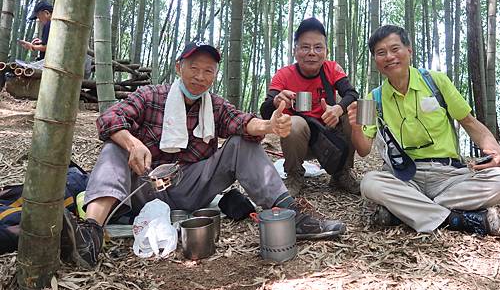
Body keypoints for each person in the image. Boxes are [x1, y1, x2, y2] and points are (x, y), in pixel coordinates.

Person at [60, 40, 346, 269]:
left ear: (214, 76)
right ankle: (91, 233)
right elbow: (110, 118)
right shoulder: (152, 96)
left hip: (191, 187)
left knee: (241, 143)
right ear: (178, 67)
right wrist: (133, 143)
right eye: (194, 68)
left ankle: (290, 215)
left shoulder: (215, 106)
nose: (200, 77)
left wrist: (270, 125)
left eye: (208, 71)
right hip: (144, 186)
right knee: (115, 145)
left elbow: (243, 122)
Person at [348, 25, 500, 236]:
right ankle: (455, 219)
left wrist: (495, 150)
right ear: (376, 61)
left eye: (395, 49)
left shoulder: (436, 81)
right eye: (381, 53)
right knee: (370, 183)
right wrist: (354, 127)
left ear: (409, 51)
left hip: (450, 178)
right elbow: (363, 149)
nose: (389, 56)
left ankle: (408, 211)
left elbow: (469, 122)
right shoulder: (373, 98)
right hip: (405, 178)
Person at [260, 17, 360, 196]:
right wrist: (276, 102)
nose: (312, 53)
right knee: (295, 122)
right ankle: (294, 175)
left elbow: (352, 94)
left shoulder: (332, 69)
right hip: (300, 143)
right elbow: (265, 110)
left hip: (331, 139)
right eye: (305, 47)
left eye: (318, 47)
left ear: (326, 51)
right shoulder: (284, 75)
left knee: (350, 112)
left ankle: (341, 172)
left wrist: (337, 109)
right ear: (295, 51)